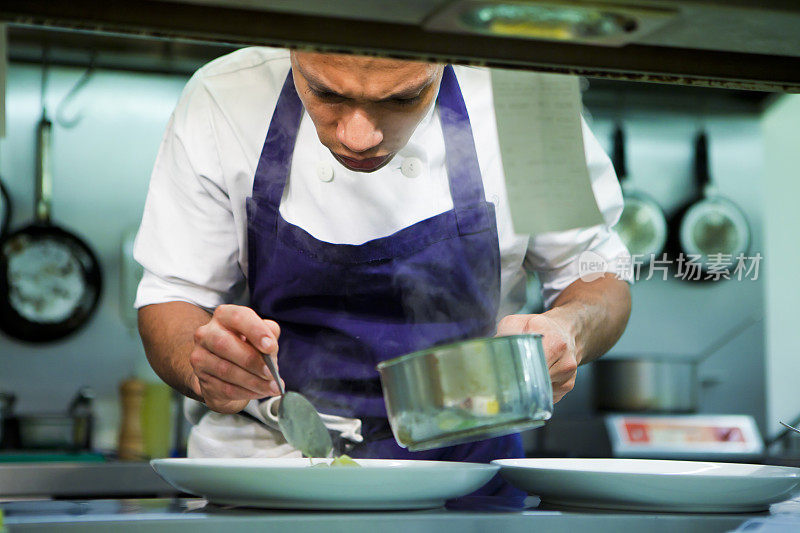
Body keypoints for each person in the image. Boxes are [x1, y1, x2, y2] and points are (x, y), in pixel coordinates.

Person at [134, 47, 631, 504]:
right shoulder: (224, 98)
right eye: (325, 92)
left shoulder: (527, 100)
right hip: (265, 479)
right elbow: (172, 295)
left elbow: (596, 273)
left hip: (462, 483)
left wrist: (570, 328)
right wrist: (203, 363)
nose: (359, 136)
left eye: (405, 97)